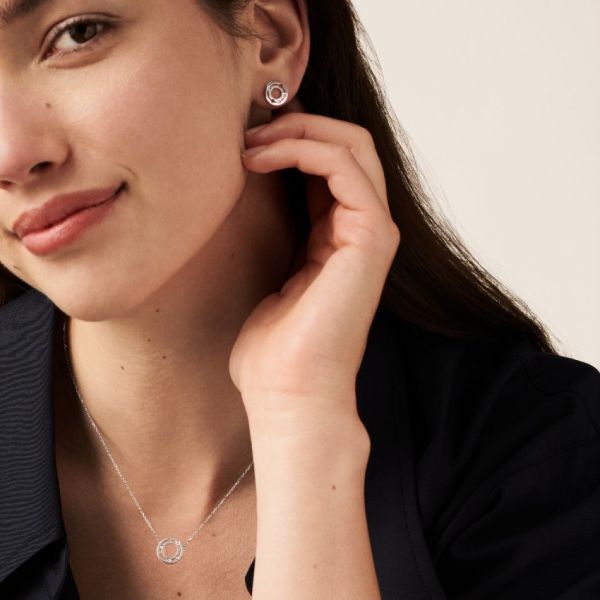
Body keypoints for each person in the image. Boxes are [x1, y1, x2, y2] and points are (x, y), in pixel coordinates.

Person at [0, 1, 598, 598]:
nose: (10, 155)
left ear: (269, 37)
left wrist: (302, 428)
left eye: (77, 34)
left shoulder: (540, 464)